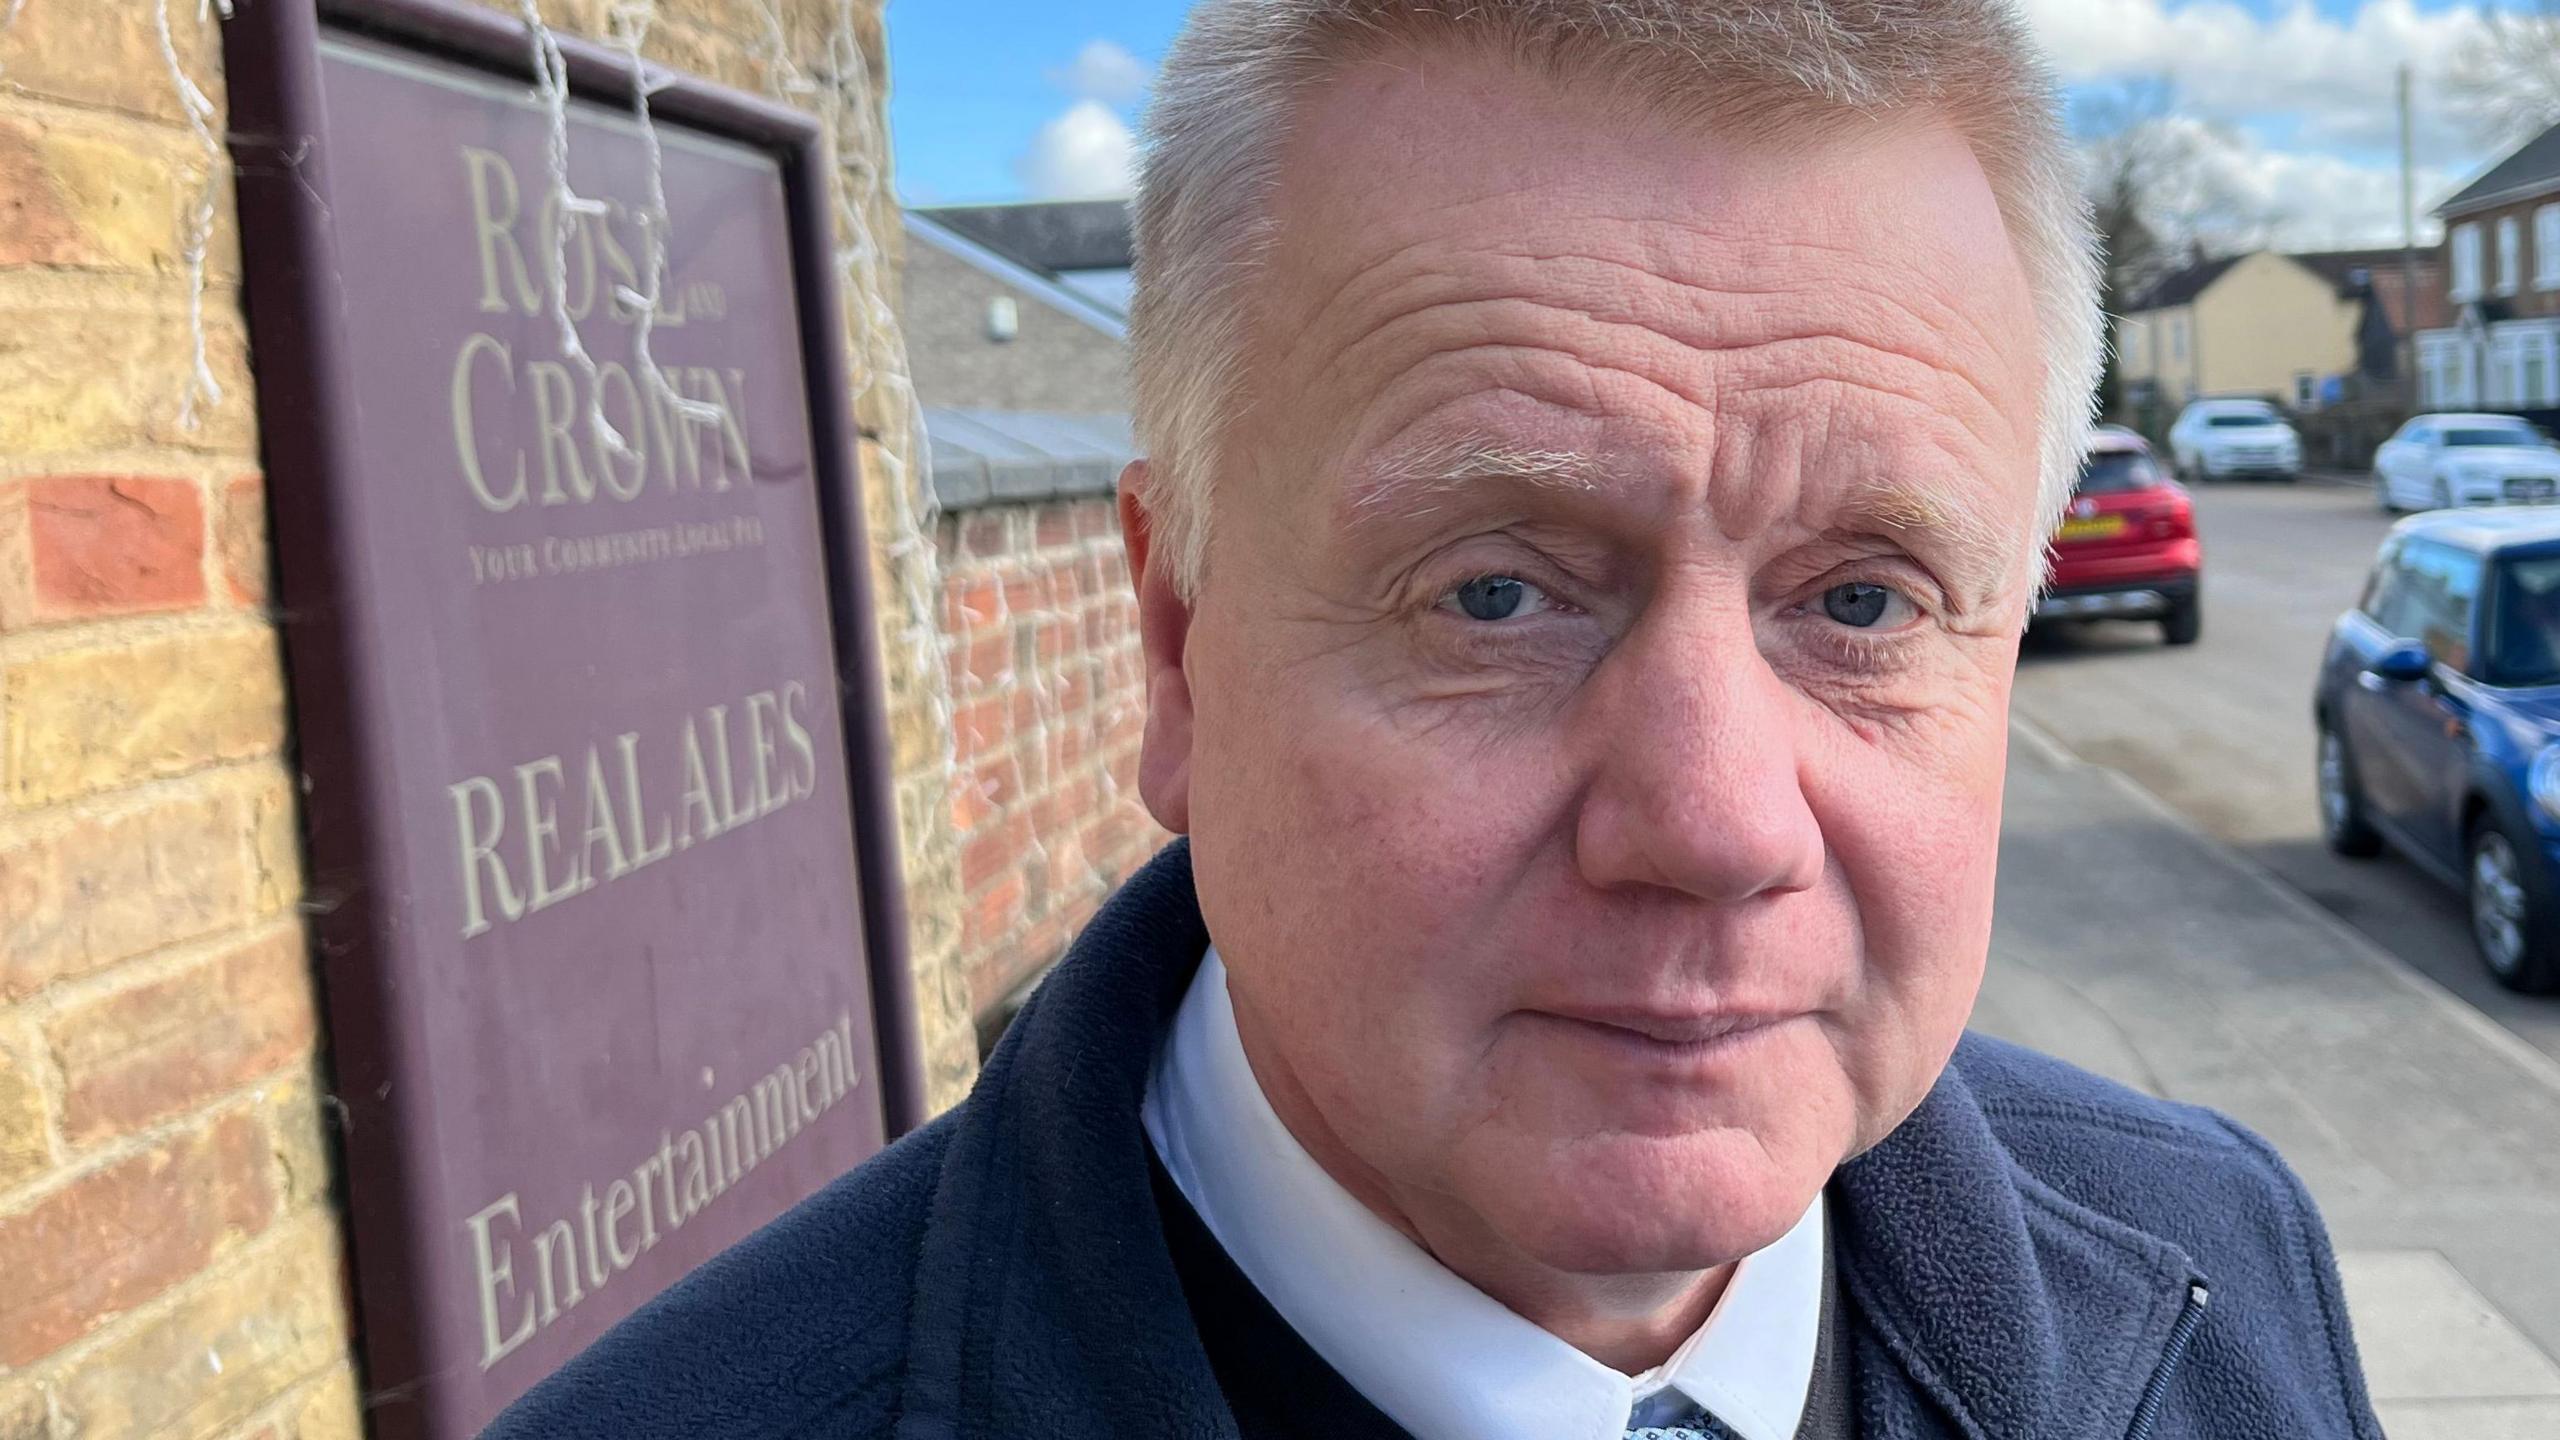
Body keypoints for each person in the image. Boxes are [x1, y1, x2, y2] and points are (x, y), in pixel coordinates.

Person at [490, 2, 2385, 1436]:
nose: (1718, 824)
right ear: (1176, 645)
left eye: (1866, 602)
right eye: (1495, 592)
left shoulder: (2223, 1281)